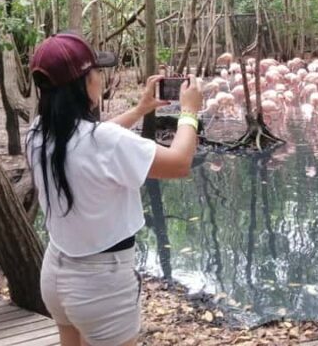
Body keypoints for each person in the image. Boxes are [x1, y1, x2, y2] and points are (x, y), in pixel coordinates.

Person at [27, 32, 203, 346]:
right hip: (101, 284)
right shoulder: (103, 143)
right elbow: (179, 163)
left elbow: (95, 140)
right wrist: (189, 112)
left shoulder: (38, 133)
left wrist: (139, 110)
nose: (100, 77)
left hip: (55, 272)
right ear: (83, 83)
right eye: (96, 71)